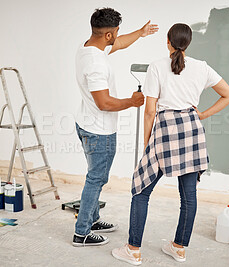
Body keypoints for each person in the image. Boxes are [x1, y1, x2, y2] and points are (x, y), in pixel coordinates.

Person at [112, 23, 229, 264]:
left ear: (167, 41)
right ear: (187, 43)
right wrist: (201, 115)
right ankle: (179, 248)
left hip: (165, 131)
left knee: (141, 190)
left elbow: (149, 112)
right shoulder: (202, 67)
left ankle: (133, 249)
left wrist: (147, 143)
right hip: (192, 131)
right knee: (188, 196)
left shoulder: (157, 67)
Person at [73, 8, 158, 247]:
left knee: (96, 177)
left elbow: (118, 43)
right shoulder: (96, 63)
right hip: (99, 131)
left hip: (85, 123)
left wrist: (140, 33)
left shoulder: (88, 46)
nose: (117, 37)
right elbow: (104, 102)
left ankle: (92, 218)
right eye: (116, 32)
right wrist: (132, 102)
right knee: (96, 179)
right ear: (108, 34)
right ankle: (82, 233)